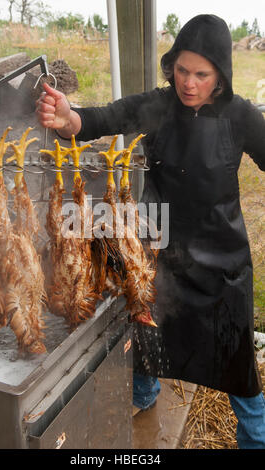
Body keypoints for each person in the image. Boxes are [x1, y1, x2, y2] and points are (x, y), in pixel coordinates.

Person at [36, 14, 265, 449]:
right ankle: (142, 397)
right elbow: (102, 118)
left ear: (220, 75)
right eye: (181, 70)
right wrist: (68, 118)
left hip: (223, 266)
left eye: (201, 74)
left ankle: (255, 440)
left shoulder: (240, 115)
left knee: (239, 371)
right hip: (159, 253)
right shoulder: (160, 107)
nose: (189, 83)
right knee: (146, 334)